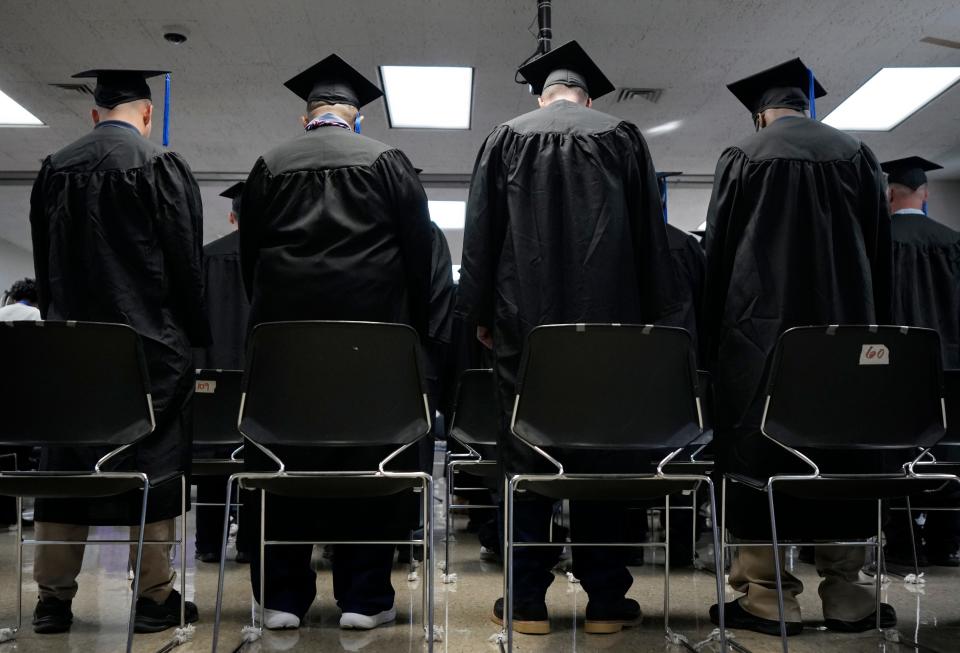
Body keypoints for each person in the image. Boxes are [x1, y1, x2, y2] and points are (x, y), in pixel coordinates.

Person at [457, 40, 681, 635]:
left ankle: (527, 601)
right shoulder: (624, 137)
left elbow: (480, 237)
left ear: (540, 94)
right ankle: (606, 602)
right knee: (600, 455)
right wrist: (657, 317)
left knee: (527, 452)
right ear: (588, 95)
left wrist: (477, 313)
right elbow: (647, 234)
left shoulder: (505, 137)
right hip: (611, 328)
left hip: (523, 327)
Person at [702, 58, 895, 636]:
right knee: (841, 454)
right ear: (810, 106)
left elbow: (718, 255)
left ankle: (766, 599)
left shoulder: (743, 155)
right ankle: (847, 597)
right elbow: (880, 255)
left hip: (757, 338)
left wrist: (712, 343)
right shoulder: (858, 155)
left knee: (759, 457)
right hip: (846, 340)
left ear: (761, 114)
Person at [239, 53, 432, 631]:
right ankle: (364, 599)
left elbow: (250, 263)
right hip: (370, 351)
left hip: (286, 354)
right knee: (366, 463)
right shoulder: (389, 162)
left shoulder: (269, 165)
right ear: (357, 118)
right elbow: (418, 260)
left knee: (283, 460)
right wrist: (408, 336)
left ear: (306, 118)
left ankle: (281, 600)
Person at [29, 69, 208, 634]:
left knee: (68, 461)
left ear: (93, 113)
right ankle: (154, 599)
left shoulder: (54, 169)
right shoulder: (161, 166)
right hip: (146, 348)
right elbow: (185, 263)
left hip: (73, 349)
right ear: (148, 114)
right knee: (153, 462)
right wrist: (193, 332)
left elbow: (44, 269)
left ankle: (52, 601)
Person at [880, 156, 960, 568]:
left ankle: (901, 545)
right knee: (948, 450)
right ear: (925, 194)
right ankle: (946, 542)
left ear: (889, 193)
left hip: (892, 368)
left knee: (896, 454)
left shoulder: (877, 241)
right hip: (950, 367)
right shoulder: (952, 240)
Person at [193, 181, 251, 564]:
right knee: (255, 460)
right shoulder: (276, 260)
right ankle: (249, 542)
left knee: (213, 458)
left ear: (232, 216)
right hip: (258, 381)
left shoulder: (204, 257)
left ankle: (209, 544)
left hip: (212, 378)